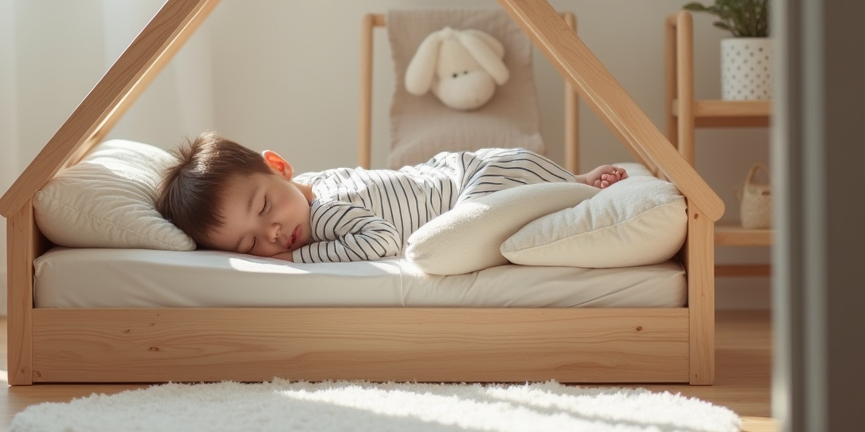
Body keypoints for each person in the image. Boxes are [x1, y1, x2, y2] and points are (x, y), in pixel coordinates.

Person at [156, 131, 628, 264]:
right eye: (250, 245)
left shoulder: (321, 217)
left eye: (263, 208)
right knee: (505, 221)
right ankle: (573, 187)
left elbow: (380, 238)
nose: (273, 234)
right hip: (480, 170)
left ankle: (575, 188)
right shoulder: (308, 192)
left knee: (488, 216)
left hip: (479, 179)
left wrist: (300, 261)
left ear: (279, 167)